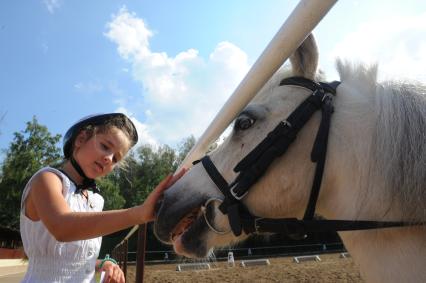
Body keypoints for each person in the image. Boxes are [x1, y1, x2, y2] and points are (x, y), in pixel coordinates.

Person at [20, 113, 186, 283]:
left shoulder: (96, 200)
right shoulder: (47, 179)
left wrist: (105, 264)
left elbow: (74, 261)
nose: (109, 158)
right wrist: (139, 214)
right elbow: (62, 227)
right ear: (81, 139)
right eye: (105, 146)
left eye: (116, 158)